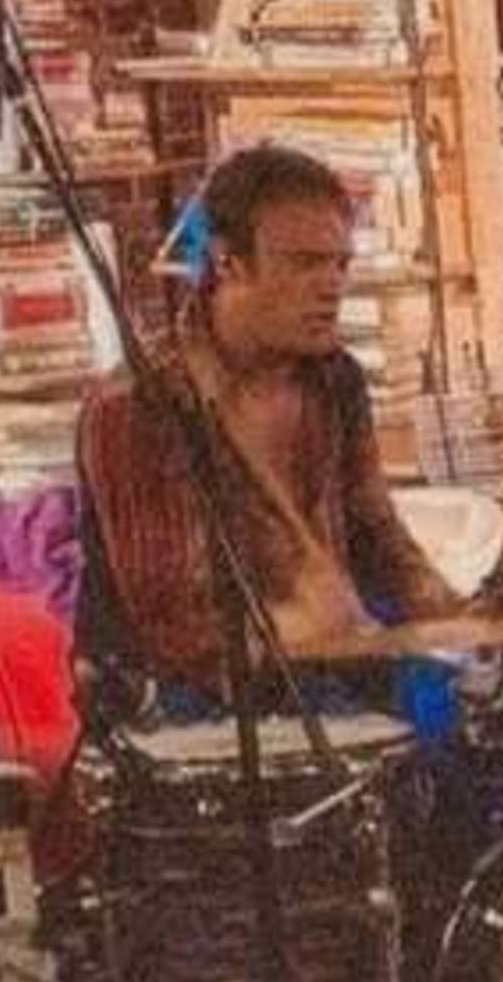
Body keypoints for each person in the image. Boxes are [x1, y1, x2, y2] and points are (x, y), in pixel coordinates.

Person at [71, 141, 443, 704]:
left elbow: (376, 535)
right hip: (179, 703)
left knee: (467, 706)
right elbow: (176, 625)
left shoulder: (335, 378)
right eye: (304, 263)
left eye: (340, 264)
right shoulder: (140, 404)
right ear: (228, 262)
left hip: (322, 670)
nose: (331, 286)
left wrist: (463, 614)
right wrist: (307, 626)